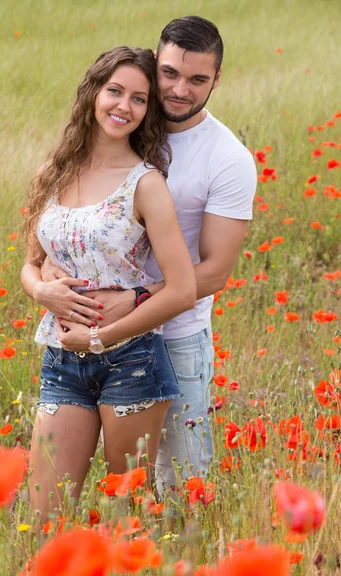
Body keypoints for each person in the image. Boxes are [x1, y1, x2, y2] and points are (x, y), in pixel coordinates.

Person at [41, 16, 257, 493]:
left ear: (216, 79)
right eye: (170, 73)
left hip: (175, 338)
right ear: (154, 64)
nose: (180, 89)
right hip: (82, 334)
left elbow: (216, 272)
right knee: (101, 492)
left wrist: (135, 298)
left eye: (198, 79)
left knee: (178, 490)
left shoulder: (228, 159)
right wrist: (47, 278)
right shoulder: (126, 127)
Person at [20, 45, 196, 521]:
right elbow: (30, 263)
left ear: (147, 111)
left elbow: (182, 289)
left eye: (139, 99)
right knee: (42, 514)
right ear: (93, 93)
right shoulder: (56, 173)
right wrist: (40, 291)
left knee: (127, 513)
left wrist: (99, 337)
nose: (124, 106)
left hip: (131, 359)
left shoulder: (145, 183)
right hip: (62, 359)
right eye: (115, 91)